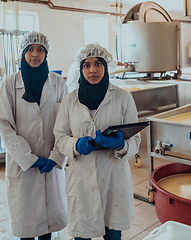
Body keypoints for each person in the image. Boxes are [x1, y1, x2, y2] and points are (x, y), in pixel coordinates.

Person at [53, 43, 141, 240]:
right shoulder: (69, 100)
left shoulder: (123, 98)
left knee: (113, 233)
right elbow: (60, 137)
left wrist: (121, 145)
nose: (92, 70)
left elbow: (135, 140)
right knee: (82, 234)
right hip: (81, 177)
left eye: (98, 64)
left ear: (106, 66)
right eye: (87, 65)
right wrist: (75, 145)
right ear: (80, 68)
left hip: (113, 177)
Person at [0, 31, 68, 240]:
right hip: (23, 166)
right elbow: (4, 125)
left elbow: (65, 123)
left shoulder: (58, 83)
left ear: (46, 53)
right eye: (30, 49)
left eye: (40, 50)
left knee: (48, 225)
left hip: (50, 163)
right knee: (26, 226)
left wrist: (56, 156)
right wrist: (27, 158)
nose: (34, 54)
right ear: (23, 52)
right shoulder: (10, 84)